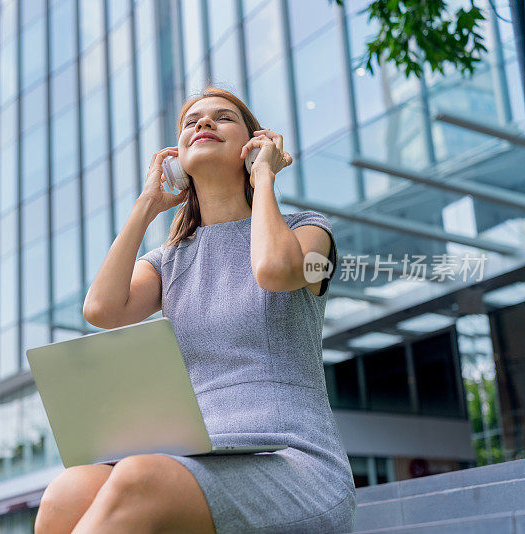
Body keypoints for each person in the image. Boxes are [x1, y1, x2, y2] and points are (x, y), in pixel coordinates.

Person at [34, 86, 356, 533]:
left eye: (222, 118)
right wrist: (146, 207)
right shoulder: (168, 261)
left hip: (293, 462)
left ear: (254, 143)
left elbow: (274, 270)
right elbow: (101, 309)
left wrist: (264, 178)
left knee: (140, 475)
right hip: (199, 458)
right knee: (67, 491)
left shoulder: (308, 232)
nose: (203, 124)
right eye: (192, 121)